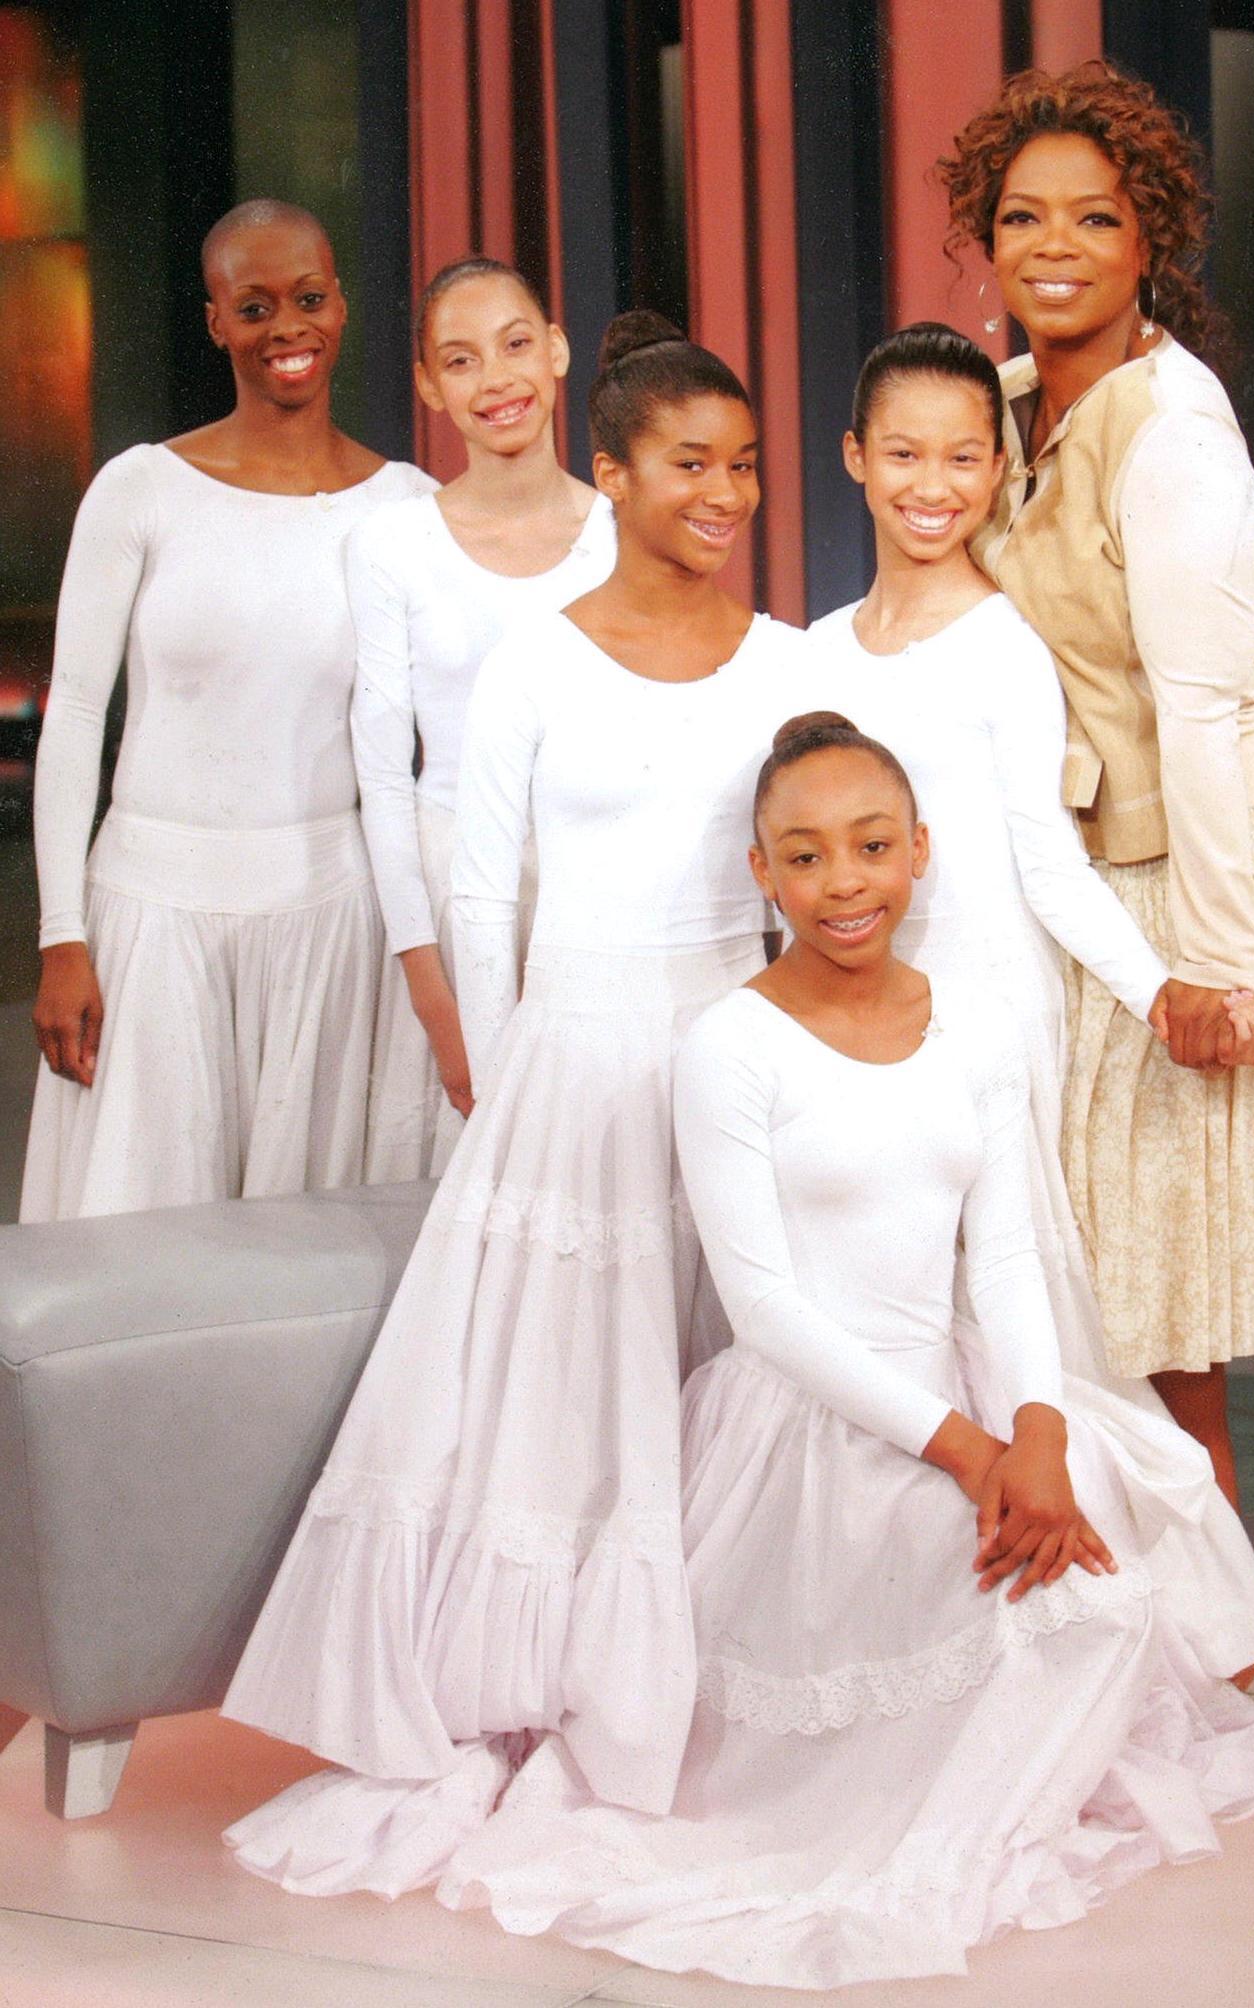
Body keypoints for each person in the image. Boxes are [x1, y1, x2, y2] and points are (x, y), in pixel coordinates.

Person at [397, 716, 1254, 1991]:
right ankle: (889, 1801)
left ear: (919, 853)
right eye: (806, 855)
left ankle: (1000, 1748)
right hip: (808, 1418)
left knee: (1104, 1529)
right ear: (762, 875)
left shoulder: (978, 1023)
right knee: (994, 1573)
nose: (844, 882)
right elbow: (766, 1306)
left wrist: (1039, 1431)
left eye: (871, 847)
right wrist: (969, 1451)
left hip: (963, 1381)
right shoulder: (729, 1044)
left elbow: (998, 1254)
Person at [221, 312, 804, 1888]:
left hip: (731, 1052)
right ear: (610, 472)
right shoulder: (540, 659)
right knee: (566, 1406)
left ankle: (739, 1664)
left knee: (733, 1367)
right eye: (692, 463)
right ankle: (558, 1677)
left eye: (745, 465)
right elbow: (483, 896)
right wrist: (498, 1077)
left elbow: (805, 895)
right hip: (572, 1057)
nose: (727, 491)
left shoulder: (788, 663)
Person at [937, 64, 1254, 1487]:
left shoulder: (1173, 433)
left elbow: (1198, 711)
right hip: (1102, 858)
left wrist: (1230, 965)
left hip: (1224, 843)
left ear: (1145, 241)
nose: (1050, 246)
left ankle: (1199, 1627)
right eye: (1021, 216)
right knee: (1141, 1271)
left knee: (1165, 1279)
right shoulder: (1004, 401)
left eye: (1090, 220)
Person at [804, 323, 1254, 1658]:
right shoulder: (813, 653)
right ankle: (942, 1628)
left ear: (997, 466)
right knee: (897, 1310)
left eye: (962, 457)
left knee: (1019, 1316)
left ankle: (1158, 1618)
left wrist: (1158, 992)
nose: (930, 484)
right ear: (853, 459)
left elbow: (1046, 866)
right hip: (858, 1021)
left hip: (988, 1011)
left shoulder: (1005, 646)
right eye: (901, 453)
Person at [22, 199, 434, 1220]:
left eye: (307, 299)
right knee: (134, 1237)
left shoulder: (408, 508)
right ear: (215, 320)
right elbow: (74, 711)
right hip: (149, 916)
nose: (285, 327)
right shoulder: (141, 490)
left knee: (305, 1243)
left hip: (336, 921)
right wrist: (61, 933)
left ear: (340, 306)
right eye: (254, 307)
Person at [355, 258, 615, 1179]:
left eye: (514, 346)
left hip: (591, 890)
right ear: (429, 386)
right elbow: (384, 779)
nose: (496, 380)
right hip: (449, 887)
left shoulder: (619, 531)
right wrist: (432, 991)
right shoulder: (394, 544)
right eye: (460, 361)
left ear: (555, 350)